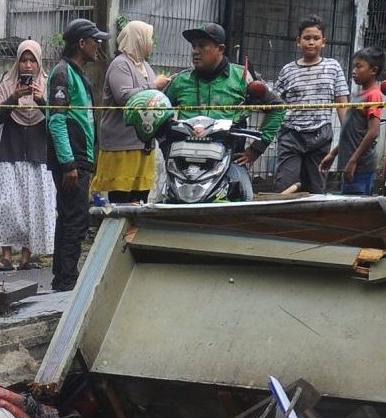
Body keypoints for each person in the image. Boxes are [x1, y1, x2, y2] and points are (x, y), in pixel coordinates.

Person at [163, 23, 283, 176]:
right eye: (193, 46)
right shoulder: (180, 80)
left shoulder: (243, 77)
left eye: (202, 46)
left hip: (229, 165)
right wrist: (165, 146)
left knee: (243, 196)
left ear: (220, 49)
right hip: (183, 165)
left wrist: (256, 149)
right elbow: (159, 113)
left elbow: (277, 107)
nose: (195, 52)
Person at [0, 39, 53, 269]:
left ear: (39, 63)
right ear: (17, 62)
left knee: (33, 203)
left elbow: (55, 120)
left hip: (38, 154)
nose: (27, 66)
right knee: (7, 204)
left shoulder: (47, 84)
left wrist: (40, 100)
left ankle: (26, 257)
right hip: (11, 151)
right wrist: (14, 98)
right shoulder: (8, 83)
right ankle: (6, 256)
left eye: (32, 61)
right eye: (23, 60)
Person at [47, 17, 108, 290]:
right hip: (72, 161)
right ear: (81, 43)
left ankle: (62, 278)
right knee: (75, 219)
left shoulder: (76, 72)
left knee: (71, 217)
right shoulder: (62, 73)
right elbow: (56, 121)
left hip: (80, 158)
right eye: (95, 41)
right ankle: (67, 281)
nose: (98, 46)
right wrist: (68, 163)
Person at [272, 17, 349, 196]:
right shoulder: (287, 70)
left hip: (320, 136)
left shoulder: (333, 67)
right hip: (291, 135)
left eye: (316, 38)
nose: (311, 42)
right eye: (307, 38)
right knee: (284, 187)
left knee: (316, 189)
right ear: (298, 41)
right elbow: (276, 105)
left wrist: (347, 134)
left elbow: (342, 103)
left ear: (323, 42)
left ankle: (312, 224)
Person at [90, 19, 161, 204]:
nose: (151, 43)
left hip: (142, 144)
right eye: (149, 38)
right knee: (121, 199)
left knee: (141, 198)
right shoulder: (120, 64)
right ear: (138, 39)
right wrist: (155, 86)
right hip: (121, 145)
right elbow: (124, 97)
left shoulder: (145, 67)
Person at [322, 46, 386, 195]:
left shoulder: (374, 95)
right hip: (349, 163)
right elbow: (349, 131)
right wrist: (333, 153)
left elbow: (373, 131)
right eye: (353, 66)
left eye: (359, 66)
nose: (354, 71)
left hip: (361, 165)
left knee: (356, 210)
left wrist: (353, 160)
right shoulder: (358, 95)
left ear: (373, 70)